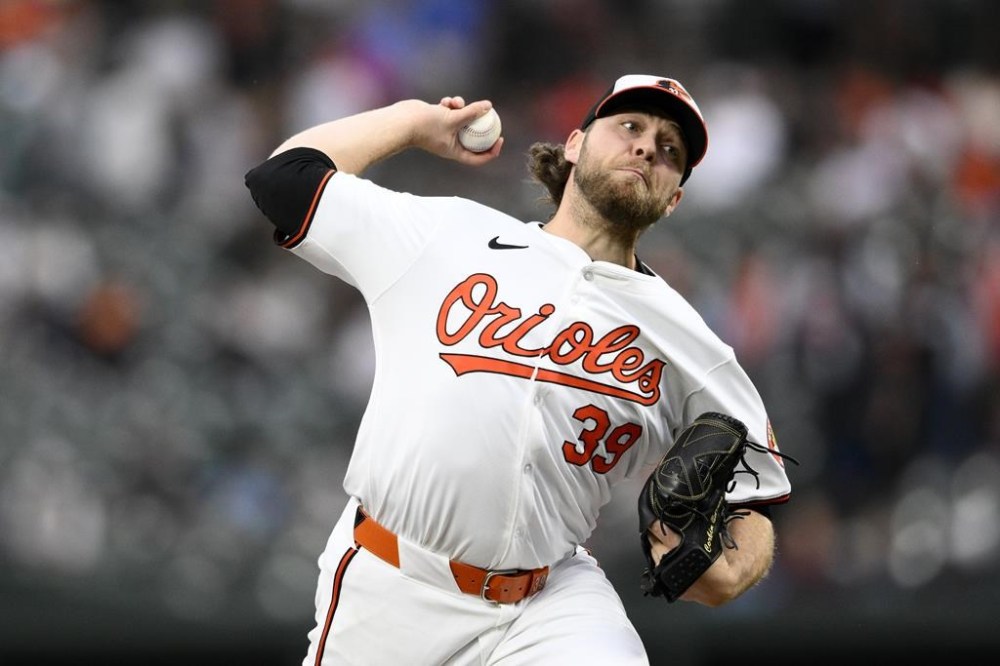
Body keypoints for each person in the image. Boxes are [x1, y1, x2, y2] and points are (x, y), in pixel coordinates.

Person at [244, 73, 793, 665]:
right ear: (576, 144)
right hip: (390, 584)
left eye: (669, 151)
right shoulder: (447, 235)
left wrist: (736, 567)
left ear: (674, 197)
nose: (646, 148)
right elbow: (283, 180)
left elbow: (755, 495)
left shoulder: (687, 341)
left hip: (548, 601)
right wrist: (411, 122)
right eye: (630, 127)